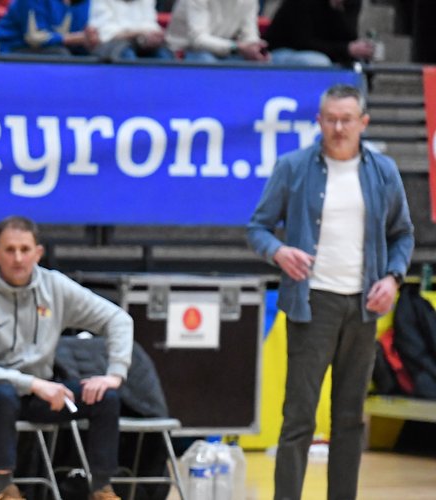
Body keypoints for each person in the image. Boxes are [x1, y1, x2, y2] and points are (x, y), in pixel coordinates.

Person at [247, 83, 414, 500]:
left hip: (362, 307)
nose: (339, 127)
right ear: (319, 120)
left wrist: (392, 279)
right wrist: (278, 251)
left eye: (347, 119)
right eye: (331, 119)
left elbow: (403, 235)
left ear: (364, 123)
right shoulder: (293, 167)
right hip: (312, 303)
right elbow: (257, 228)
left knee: (350, 420)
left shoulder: (383, 171)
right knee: (298, 417)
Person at [0, 215, 131, 500]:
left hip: (39, 393)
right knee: (4, 395)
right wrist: (33, 383)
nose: (18, 258)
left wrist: (115, 374)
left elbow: (118, 319)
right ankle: (5, 490)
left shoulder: (54, 286)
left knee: (105, 398)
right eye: (9, 250)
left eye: (25, 249)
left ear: (38, 253)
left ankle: (102, 489)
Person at [263, 0, 374, 66]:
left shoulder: (351, 3)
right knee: (319, 63)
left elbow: (349, 36)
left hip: (325, 50)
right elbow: (302, 42)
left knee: (359, 63)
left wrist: (337, 10)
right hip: (283, 50)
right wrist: (345, 49)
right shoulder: (301, 3)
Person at [164, 0, 269, 63]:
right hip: (183, 52)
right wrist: (237, 47)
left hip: (225, 52)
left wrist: (256, 48)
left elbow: (250, 36)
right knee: (207, 61)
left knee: (282, 57)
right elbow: (198, 40)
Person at [0, 0, 98, 56]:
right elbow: (34, 37)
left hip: (56, 49)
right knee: (60, 55)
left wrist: (91, 42)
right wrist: (77, 39)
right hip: (8, 49)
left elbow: (83, 39)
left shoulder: (85, 3)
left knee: (95, 57)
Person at [88, 0, 173, 60]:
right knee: (126, 53)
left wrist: (153, 36)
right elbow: (106, 33)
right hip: (111, 45)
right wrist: (140, 33)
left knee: (162, 54)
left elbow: (150, 24)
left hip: (141, 41)